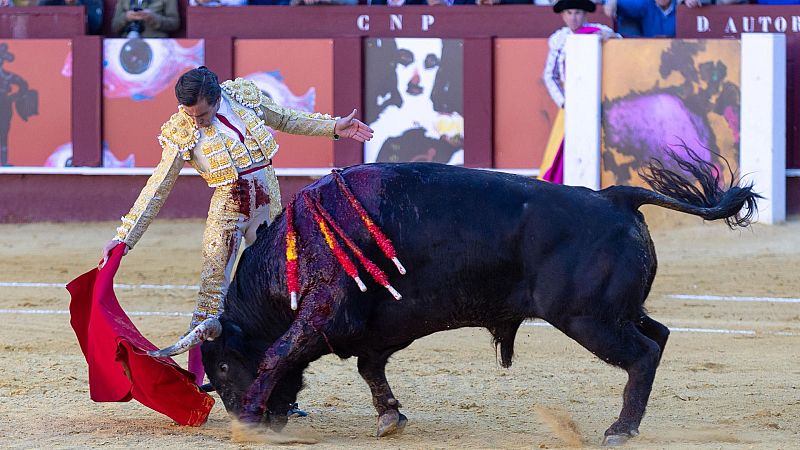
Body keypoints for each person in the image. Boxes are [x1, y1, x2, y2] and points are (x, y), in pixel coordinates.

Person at [100, 67, 373, 386]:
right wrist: (124, 239)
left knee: (278, 295)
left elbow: (285, 118)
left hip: (267, 200)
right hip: (228, 207)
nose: (197, 122)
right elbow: (158, 187)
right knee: (212, 293)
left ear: (216, 99)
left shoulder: (244, 97)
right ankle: (194, 383)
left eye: (201, 114)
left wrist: (333, 127)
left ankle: (277, 390)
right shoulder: (181, 129)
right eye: (190, 114)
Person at [539, 0, 618, 184]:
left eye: (577, 13)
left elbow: (617, 43)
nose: (573, 18)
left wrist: (606, 37)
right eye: (569, 13)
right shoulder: (559, 40)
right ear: (563, 15)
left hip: (595, 99)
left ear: (585, 15)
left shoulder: (599, 32)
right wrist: (564, 102)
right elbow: (550, 75)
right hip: (572, 101)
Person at [603, 0, 702, 38]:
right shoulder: (646, 4)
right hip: (651, 55)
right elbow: (616, 3)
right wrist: (611, 2)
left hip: (680, 56)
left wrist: (694, 4)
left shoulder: (682, 5)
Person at [112, 0, 180, 39]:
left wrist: (153, 18)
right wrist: (126, 17)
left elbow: (174, 24)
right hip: (128, 43)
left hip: (155, 43)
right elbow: (114, 27)